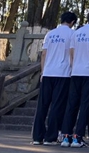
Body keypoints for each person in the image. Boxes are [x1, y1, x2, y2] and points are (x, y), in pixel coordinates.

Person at [60, 9, 89, 148]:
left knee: (72, 104)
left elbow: (71, 52)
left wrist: (74, 65)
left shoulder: (77, 33)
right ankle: (78, 137)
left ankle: (65, 136)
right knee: (85, 104)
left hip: (76, 71)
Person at [32, 11, 77, 145]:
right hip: (63, 73)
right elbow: (72, 54)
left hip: (48, 72)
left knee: (42, 106)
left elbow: (44, 54)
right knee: (57, 105)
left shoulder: (50, 34)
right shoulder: (72, 34)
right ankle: (50, 137)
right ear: (72, 22)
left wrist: (42, 72)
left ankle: (37, 136)